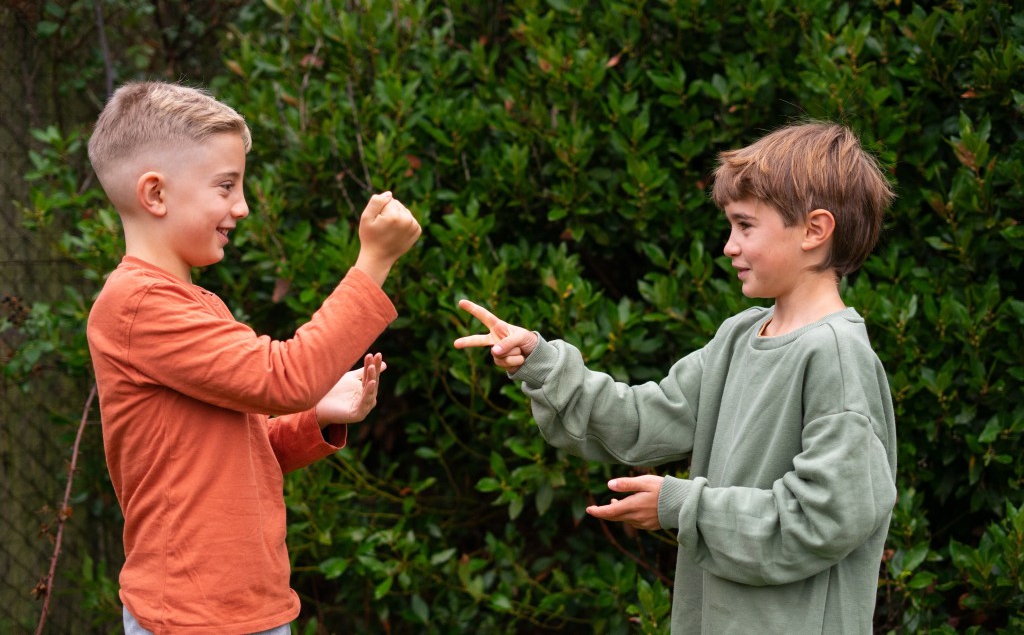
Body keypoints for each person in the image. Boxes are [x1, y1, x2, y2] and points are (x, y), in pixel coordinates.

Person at [454, 121, 897, 634]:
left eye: (745, 226)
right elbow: (641, 421)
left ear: (815, 231)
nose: (729, 246)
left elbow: (822, 519)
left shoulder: (838, 358)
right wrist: (541, 360)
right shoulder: (739, 337)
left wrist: (681, 504)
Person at [85, 81, 421, 634]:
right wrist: (373, 262)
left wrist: (317, 416)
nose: (241, 207)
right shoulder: (138, 307)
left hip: (248, 609)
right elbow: (285, 377)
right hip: (191, 618)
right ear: (156, 194)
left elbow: (237, 454)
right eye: (225, 186)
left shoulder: (193, 304)